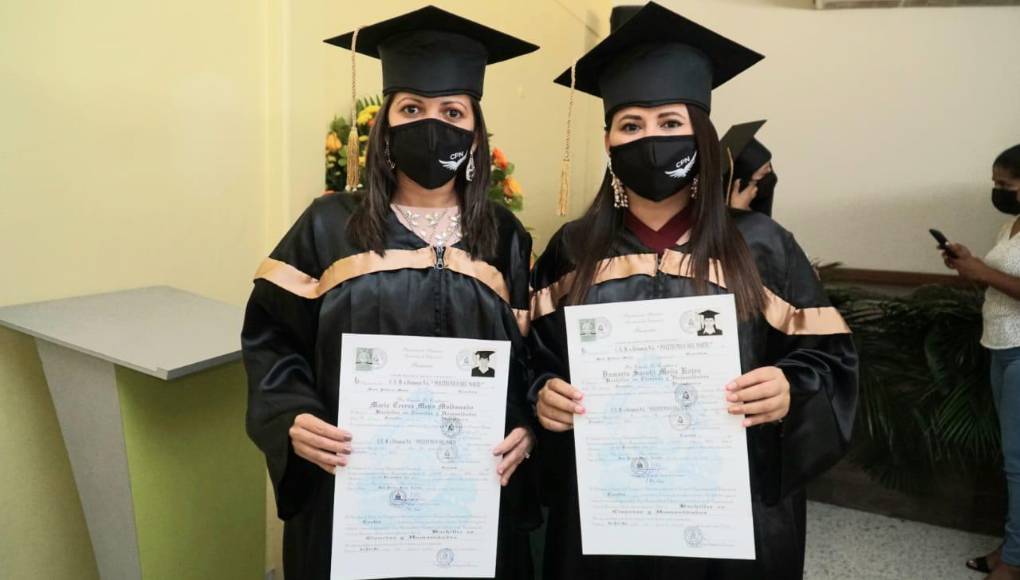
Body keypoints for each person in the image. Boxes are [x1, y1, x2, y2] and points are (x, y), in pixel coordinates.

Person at [529, 3, 859, 579]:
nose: (650, 139)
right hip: (607, 509)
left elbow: (830, 360)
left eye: (670, 123)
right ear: (607, 140)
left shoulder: (763, 245)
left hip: (735, 512)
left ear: (701, 135)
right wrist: (541, 393)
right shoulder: (571, 249)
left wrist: (790, 388)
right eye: (631, 125)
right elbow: (534, 357)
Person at [241, 7, 539, 579]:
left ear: (476, 133)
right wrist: (291, 414)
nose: (433, 125)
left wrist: (523, 424)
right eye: (412, 109)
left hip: (471, 499)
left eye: (453, 111)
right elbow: (271, 339)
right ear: (385, 125)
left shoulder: (503, 236)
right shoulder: (328, 226)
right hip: (351, 496)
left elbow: (529, 357)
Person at [943, 143, 1020, 580]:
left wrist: (982, 273)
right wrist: (969, 266)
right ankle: (1012, 549)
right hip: (999, 344)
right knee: (1012, 460)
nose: (997, 192)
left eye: (1004, 185)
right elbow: (1000, 285)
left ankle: (1014, 560)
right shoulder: (1010, 226)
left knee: (1018, 461)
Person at [720, 120, 778, 216]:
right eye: (765, 168)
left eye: (769, 165)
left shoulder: (767, 182)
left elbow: (764, 222)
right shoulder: (720, 187)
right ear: (747, 171)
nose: (769, 170)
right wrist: (737, 209)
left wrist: (744, 209)